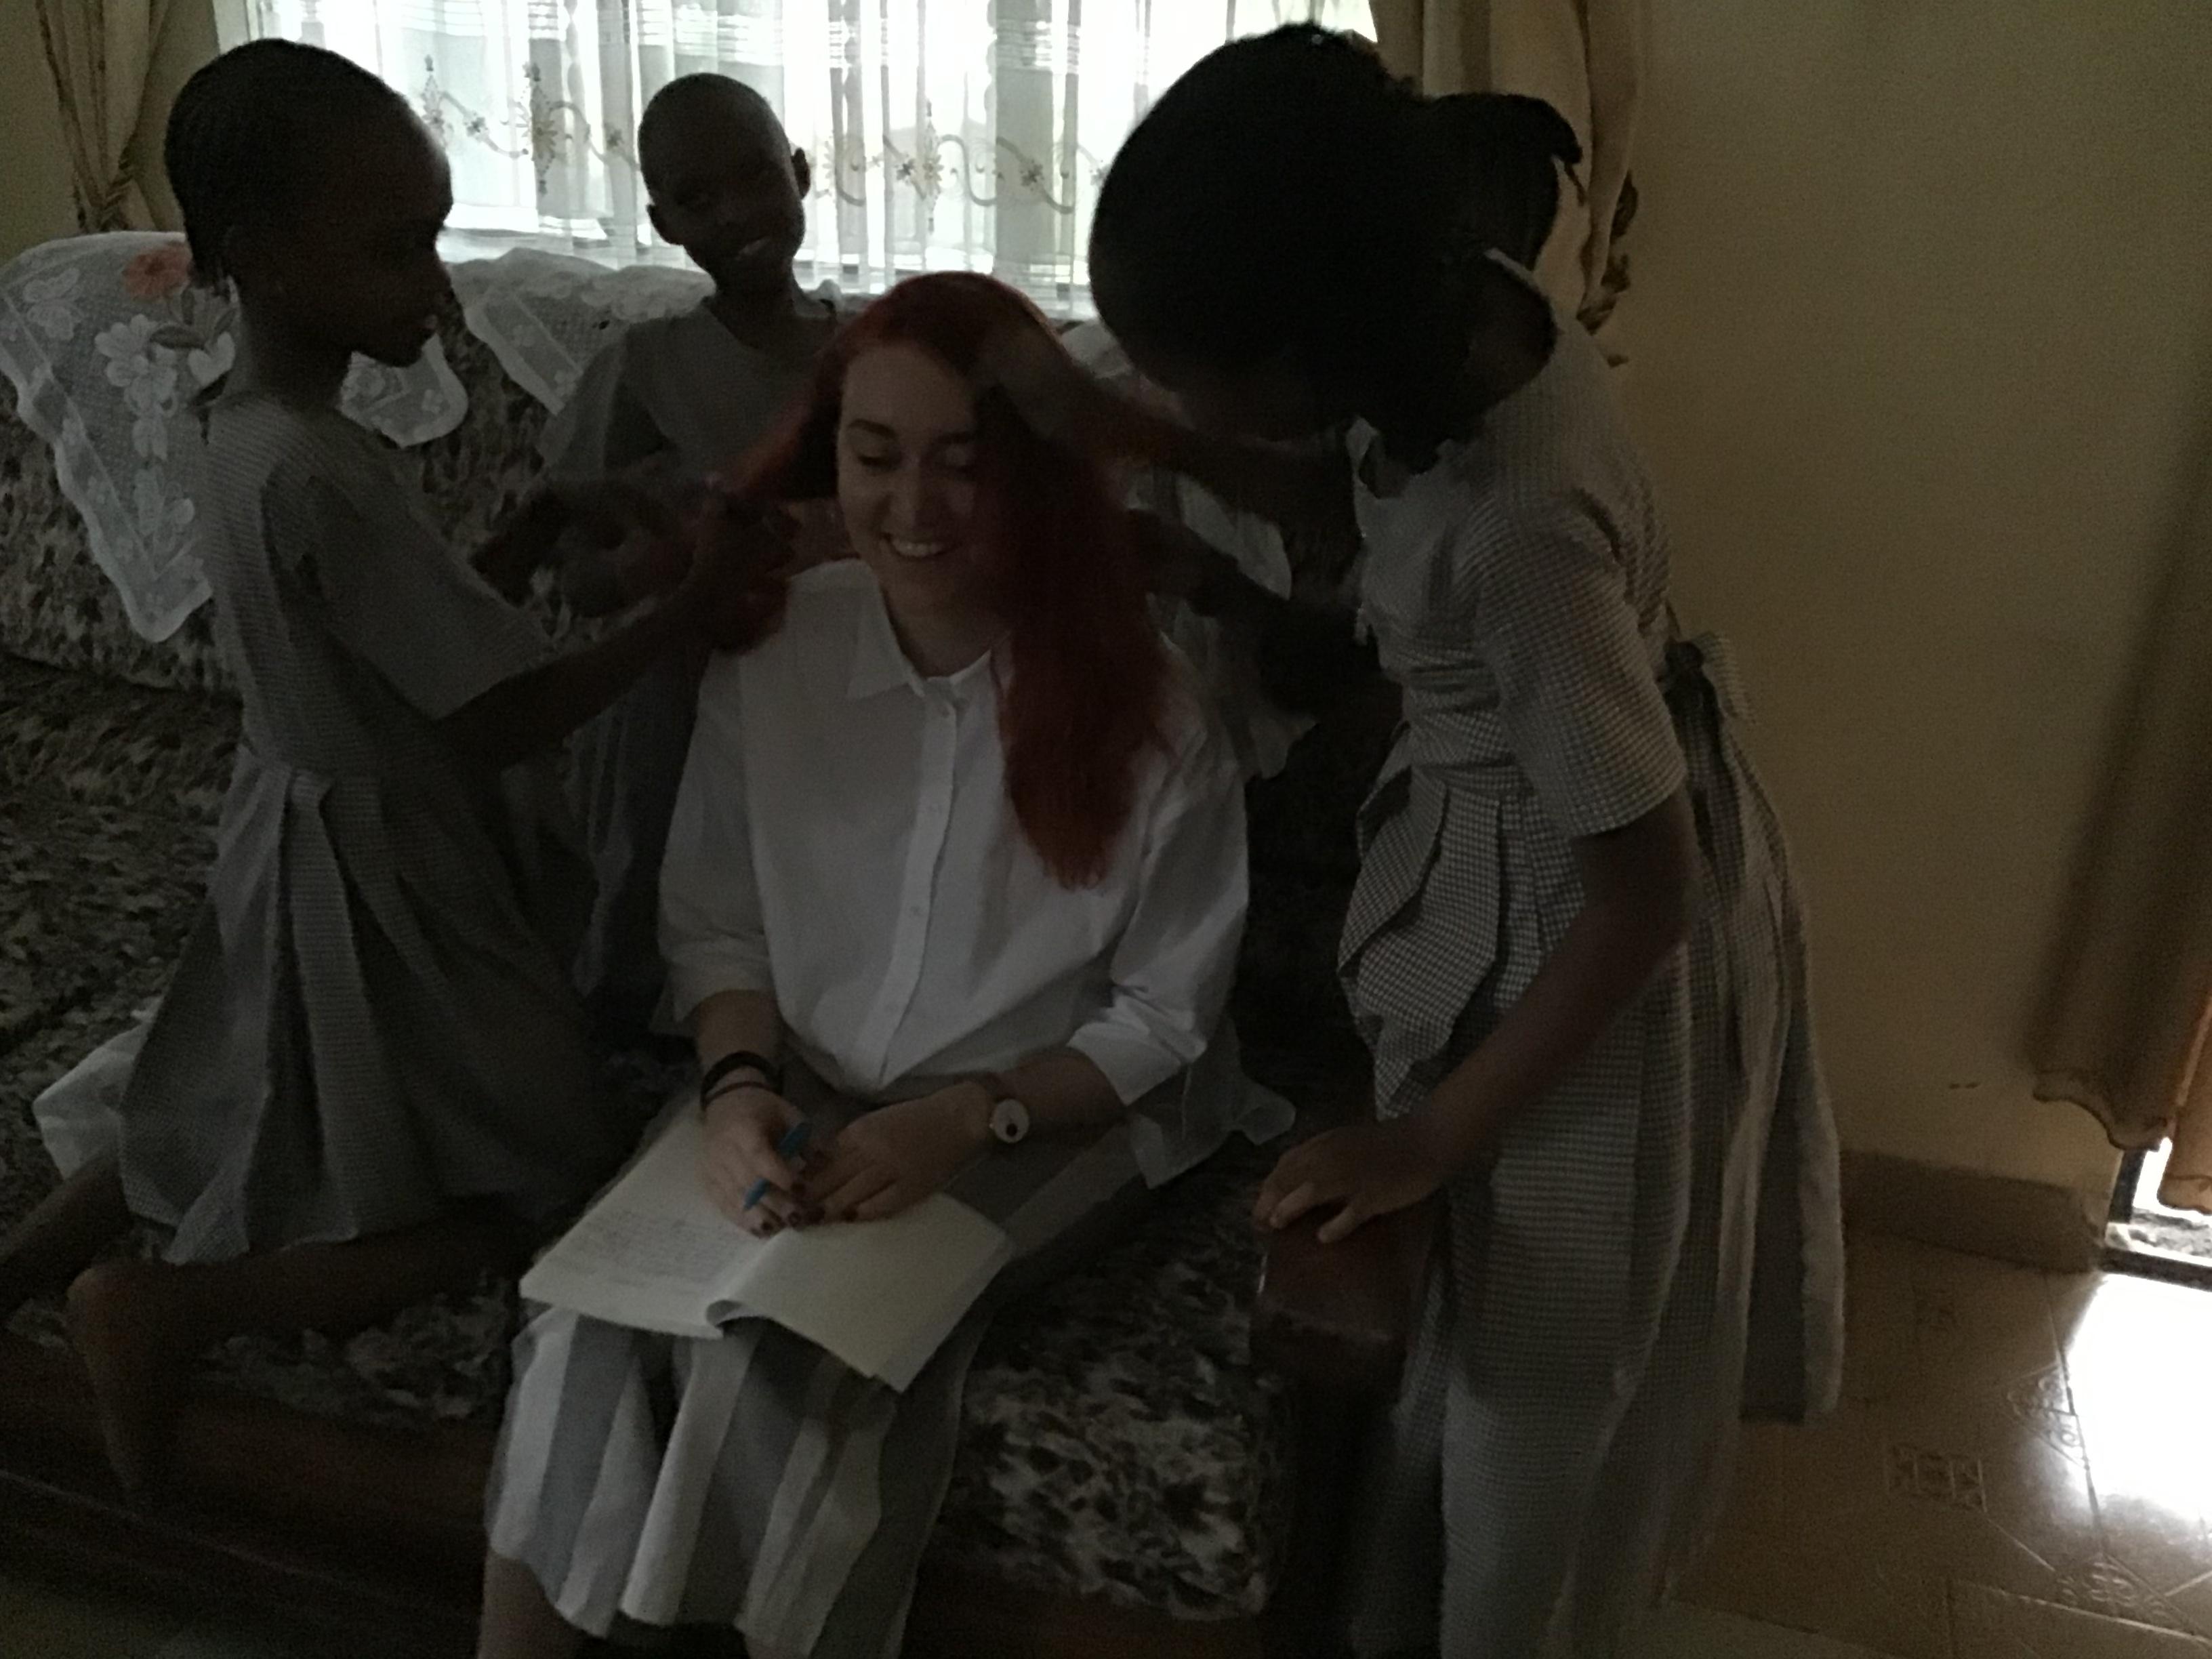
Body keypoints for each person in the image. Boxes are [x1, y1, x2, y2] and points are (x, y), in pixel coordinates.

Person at [983, 26, 1845, 1656]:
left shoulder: (1523, 531)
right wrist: (1153, 455)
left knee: (1538, 1387)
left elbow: (1644, 892)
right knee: (1478, 1339)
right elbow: (1367, 506)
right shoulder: (1456, 321)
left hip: (1585, 946)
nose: (1168, 397)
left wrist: (1431, 1137)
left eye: (1189, 377)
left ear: (1312, 362)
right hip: (1528, 870)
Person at [475, 272, 1285, 1659]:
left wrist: (972, 1117)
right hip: (802, 1075)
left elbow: (1161, 1019)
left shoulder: (1151, 706)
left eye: (964, 465)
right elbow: (720, 924)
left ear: (1036, 475)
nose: (915, 507)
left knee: (792, 1355)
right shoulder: (777, 651)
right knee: (585, 1325)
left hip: (1057, 1101)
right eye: (875, 456)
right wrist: (735, 1093)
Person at [0, 40, 770, 1491]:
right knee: (539, 1175)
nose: (436, 286)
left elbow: (374, 643)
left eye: (434, 236)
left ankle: (22, 1269)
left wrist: (524, 539)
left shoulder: (240, 428)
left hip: (290, 822)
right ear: (262, 256)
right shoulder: (324, 471)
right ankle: (165, 1308)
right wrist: (692, 607)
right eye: (395, 249)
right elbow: (496, 717)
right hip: (395, 869)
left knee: (215, 1100)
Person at [541, 72, 853, 1042]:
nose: (739, 214)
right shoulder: (644, 370)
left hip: (850, 692)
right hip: (689, 705)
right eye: (698, 198)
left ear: (802, 172)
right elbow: (579, 581)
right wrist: (675, 559)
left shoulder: (873, 353)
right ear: (664, 223)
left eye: (758, 177)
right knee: (668, 934)